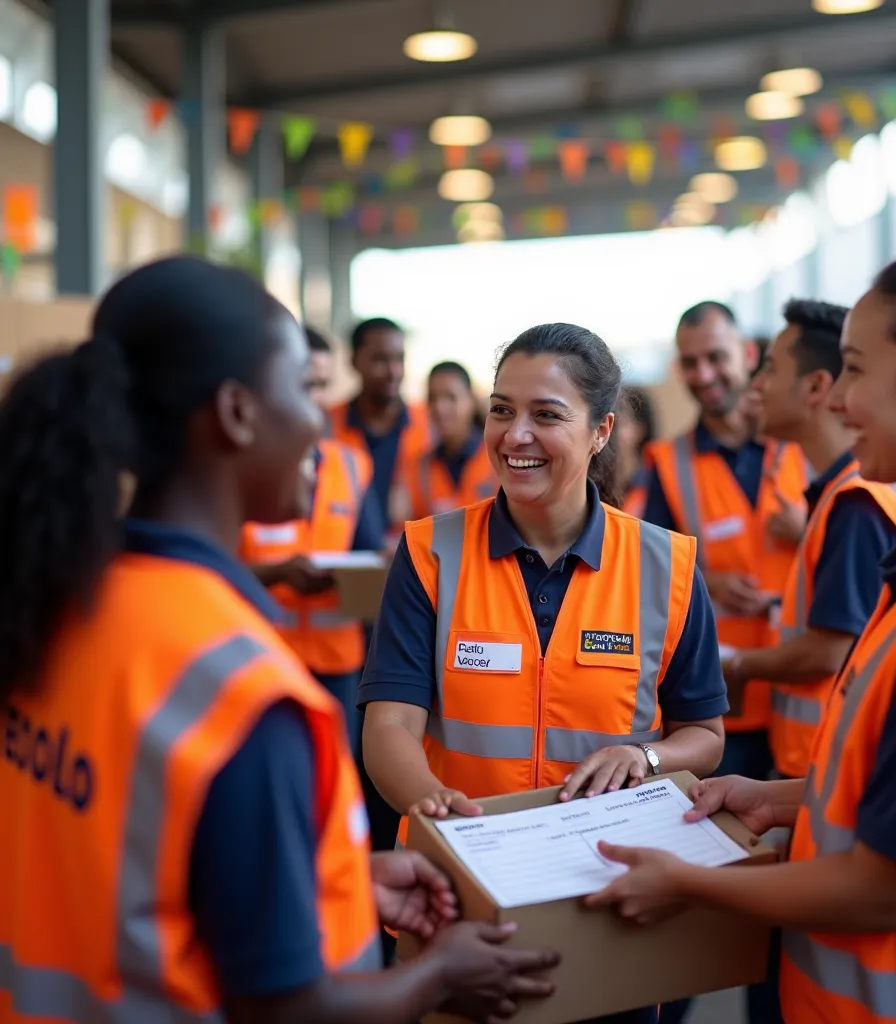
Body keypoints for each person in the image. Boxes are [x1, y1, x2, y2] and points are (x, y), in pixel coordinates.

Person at [0, 257, 559, 1024]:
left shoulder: (53, 603)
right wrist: (440, 975)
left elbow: (136, 865)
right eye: (303, 387)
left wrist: (335, 880)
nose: (320, 419)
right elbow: (288, 1009)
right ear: (235, 413)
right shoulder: (241, 694)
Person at [586, 246, 896, 1024]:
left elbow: (885, 888)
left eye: (856, 371)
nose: (840, 399)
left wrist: (688, 883)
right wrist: (786, 800)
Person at [360, 322, 730, 1024]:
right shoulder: (431, 553)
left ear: (601, 432)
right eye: (501, 409)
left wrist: (644, 754)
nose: (514, 434)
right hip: (459, 898)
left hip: (607, 902)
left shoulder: (667, 566)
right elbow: (389, 726)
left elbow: (704, 735)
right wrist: (436, 806)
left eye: (546, 415)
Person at [724, 300, 896, 782]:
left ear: (815, 386)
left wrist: (738, 665)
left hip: (825, 765)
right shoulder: (844, 493)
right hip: (815, 767)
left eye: (770, 368)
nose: (757, 385)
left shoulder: (854, 503)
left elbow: (830, 651)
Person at [643, 301, 808, 787]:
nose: (705, 374)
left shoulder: (802, 444)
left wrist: (810, 527)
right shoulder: (668, 464)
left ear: (748, 353)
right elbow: (651, 569)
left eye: (716, 357)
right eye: (690, 363)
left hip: (808, 687)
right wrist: (707, 578)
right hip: (727, 701)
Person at [240, 328, 387, 756]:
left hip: (337, 666)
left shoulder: (352, 465)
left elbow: (371, 553)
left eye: (322, 386)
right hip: (259, 659)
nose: (316, 399)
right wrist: (278, 573)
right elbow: (209, 569)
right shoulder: (244, 465)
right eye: (305, 385)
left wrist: (380, 564)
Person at [326, 317, 433, 535]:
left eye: (399, 359)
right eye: (380, 360)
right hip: (342, 560)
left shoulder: (429, 424)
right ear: (354, 361)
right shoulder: (327, 425)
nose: (393, 371)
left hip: (414, 556)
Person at [405, 360, 498, 520]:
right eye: (432, 398)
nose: (440, 407)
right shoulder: (421, 467)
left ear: (470, 400)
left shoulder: (498, 460)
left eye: (451, 397)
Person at [616, 385, 656, 517]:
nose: (606, 431)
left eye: (616, 424)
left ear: (640, 429)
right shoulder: (590, 488)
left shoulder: (655, 485)